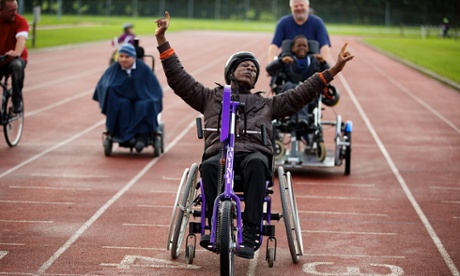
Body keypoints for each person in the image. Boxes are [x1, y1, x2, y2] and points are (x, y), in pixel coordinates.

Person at [154, 11, 353, 259]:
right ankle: (214, 224)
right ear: (230, 72)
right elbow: (179, 79)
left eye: (254, 68)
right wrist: (162, 40)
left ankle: (250, 232)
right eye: (244, 66)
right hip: (221, 156)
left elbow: (302, 93)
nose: (250, 69)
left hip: (252, 157)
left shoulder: (267, 104)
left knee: (260, 163)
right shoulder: (211, 98)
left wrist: (334, 68)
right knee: (208, 166)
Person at [93, 43, 163, 152]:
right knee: (121, 104)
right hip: (121, 99)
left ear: (134, 57)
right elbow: (105, 84)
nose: (123, 59)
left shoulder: (143, 68)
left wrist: (148, 98)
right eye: (121, 56)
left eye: (127, 57)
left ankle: (142, 136)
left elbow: (154, 89)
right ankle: (124, 136)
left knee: (145, 105)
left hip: (142, 98)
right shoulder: (114, 68)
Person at [266, 34, 330, 144]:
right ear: (292, 48)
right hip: (288, 96)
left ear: (308, 48)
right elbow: (269, 69)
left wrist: (323, 62)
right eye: (298, 45)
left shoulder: (314, 61)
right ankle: (299, 119)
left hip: (308, 98)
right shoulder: (287, 60)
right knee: (292, 86)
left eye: (304, 45)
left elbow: (328, 74)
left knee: (305, 89)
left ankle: (301, 120)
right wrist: (280, 61)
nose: (302, 48)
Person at [268, 0, 332, 66]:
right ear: (291, 8)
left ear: (308, 7)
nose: (299, 8)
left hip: (311, 65)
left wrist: (325, 66)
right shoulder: (283, 23)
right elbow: (274, 45)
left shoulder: (317, 23)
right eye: (296, 6)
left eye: (302, 5)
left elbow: (324, 46)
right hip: (289, 64)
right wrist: (270, 64)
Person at [0, 0, 28, 114]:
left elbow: (21, 38)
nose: (14, 13)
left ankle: (17, 101)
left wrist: (16, 52)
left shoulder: (20, 21)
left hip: (14, 58)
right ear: (1, 10)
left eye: (15, 9)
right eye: (11, 10)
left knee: (17, 66)